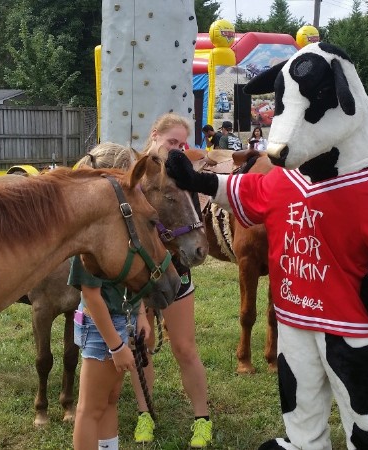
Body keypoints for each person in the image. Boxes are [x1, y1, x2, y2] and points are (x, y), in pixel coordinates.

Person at [130, 114, 213, 449]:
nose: (177, 149)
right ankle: (144, 413)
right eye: (172, 142)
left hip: (176, 272)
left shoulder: (181, 178)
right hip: (137, 276)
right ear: (155, 135)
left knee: (184, 347)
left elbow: (190, 224)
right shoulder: (132, 176)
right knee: (142, 349)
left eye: (182, 144)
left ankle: (202, 419)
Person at [70, 255, 150, 450]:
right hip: (102, 326)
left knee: (110, 399)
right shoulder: (90, 240)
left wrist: (140, 314)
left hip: (123, 319)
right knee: (90, 409)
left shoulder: (122, 233)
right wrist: (116, 346)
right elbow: (90, 295)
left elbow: (132, 278)